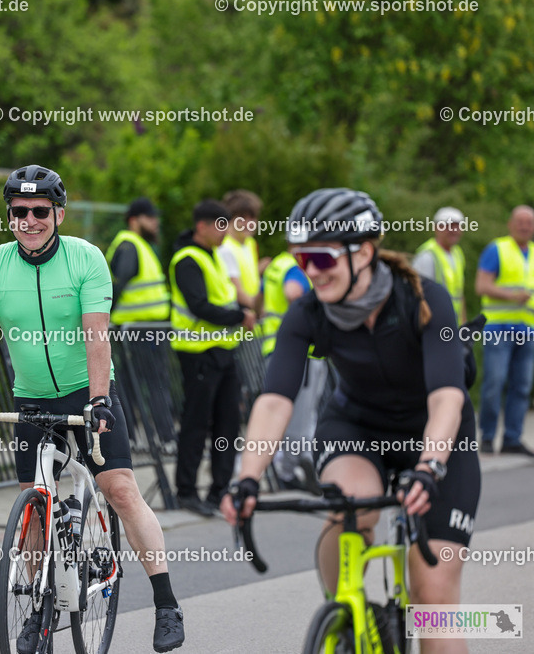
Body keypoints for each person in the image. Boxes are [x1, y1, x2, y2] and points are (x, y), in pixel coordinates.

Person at [223, 189, 481, 654]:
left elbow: (447, 397)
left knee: (433, 598)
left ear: (362, 252)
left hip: (439, 435)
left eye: (322, 257)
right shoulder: (308, 312)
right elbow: (275, 400)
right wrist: (247, 478)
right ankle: (345, 610)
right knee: (350, 507)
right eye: (302, 259)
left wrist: (430, 466)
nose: (311, 272)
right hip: (358, 427)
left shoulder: (425, 299)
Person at [0, 165, 184, 653]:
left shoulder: (86, 258)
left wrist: (100, 400)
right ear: (9, 215)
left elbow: (96, 335)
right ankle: (39, 609)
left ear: (58, 214)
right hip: (31, 397)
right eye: (19, 211)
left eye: (40, 211)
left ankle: (166, 602)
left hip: (88, 391)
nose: (29, 220)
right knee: (33, 504)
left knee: (119, 489)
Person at [169, 200, 256, 517]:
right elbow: (199, 306)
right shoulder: (187, 259)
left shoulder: (214, 256)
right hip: (198, 353)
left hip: (224, 352)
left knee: (228, 424)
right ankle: (186, 491)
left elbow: (224, 299)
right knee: (196, 423)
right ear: (202, 226)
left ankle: (219, 492)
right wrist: (239, 316)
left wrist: (237, 314)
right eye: (220, 227)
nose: (224, 233)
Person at [259, 246, 326, 486]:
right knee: (302, 416)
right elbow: (293, 291)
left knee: (284, 412)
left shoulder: (276, 265)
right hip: (302, 352)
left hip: (276, 347)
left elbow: (259, 300)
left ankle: (291, 464)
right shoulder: (296, 268)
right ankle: (289, 468)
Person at [474, 205, 534, 456]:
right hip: (499, 328)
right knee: (495, 382)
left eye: (529, 222)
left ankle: (512, 438)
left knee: (522, 386)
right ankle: (488, 436)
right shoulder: (497, 249)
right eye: (520, 221)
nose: (524, 226)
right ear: (510, 224)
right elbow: (481, 285)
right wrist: (512, 296)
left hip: (527, 330)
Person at [105, 197, 170, 324]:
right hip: (133, 327)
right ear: (133, 221)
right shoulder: (129, 246)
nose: (155, 222)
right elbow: (117, 286)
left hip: (143, 325)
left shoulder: (140, 244)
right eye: (149, 217)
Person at [217, 190, 267, 316]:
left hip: (252, 313)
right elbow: (237, 291)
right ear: (229, 220)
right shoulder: (225, 247)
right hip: (239, 313)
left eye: (252, 218)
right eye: (242, 218)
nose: (248, 223)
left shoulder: (250, 243)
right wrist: (262, 311)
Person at [414, 207, 467, 325]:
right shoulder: (427, 256)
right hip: (434, 324)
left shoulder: (457, 253)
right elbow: (418, 295)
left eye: (457, 226)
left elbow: (459, 294)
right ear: (437, 228)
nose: (454, 230)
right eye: (449, 226)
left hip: (453, 324)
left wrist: (463, 323)